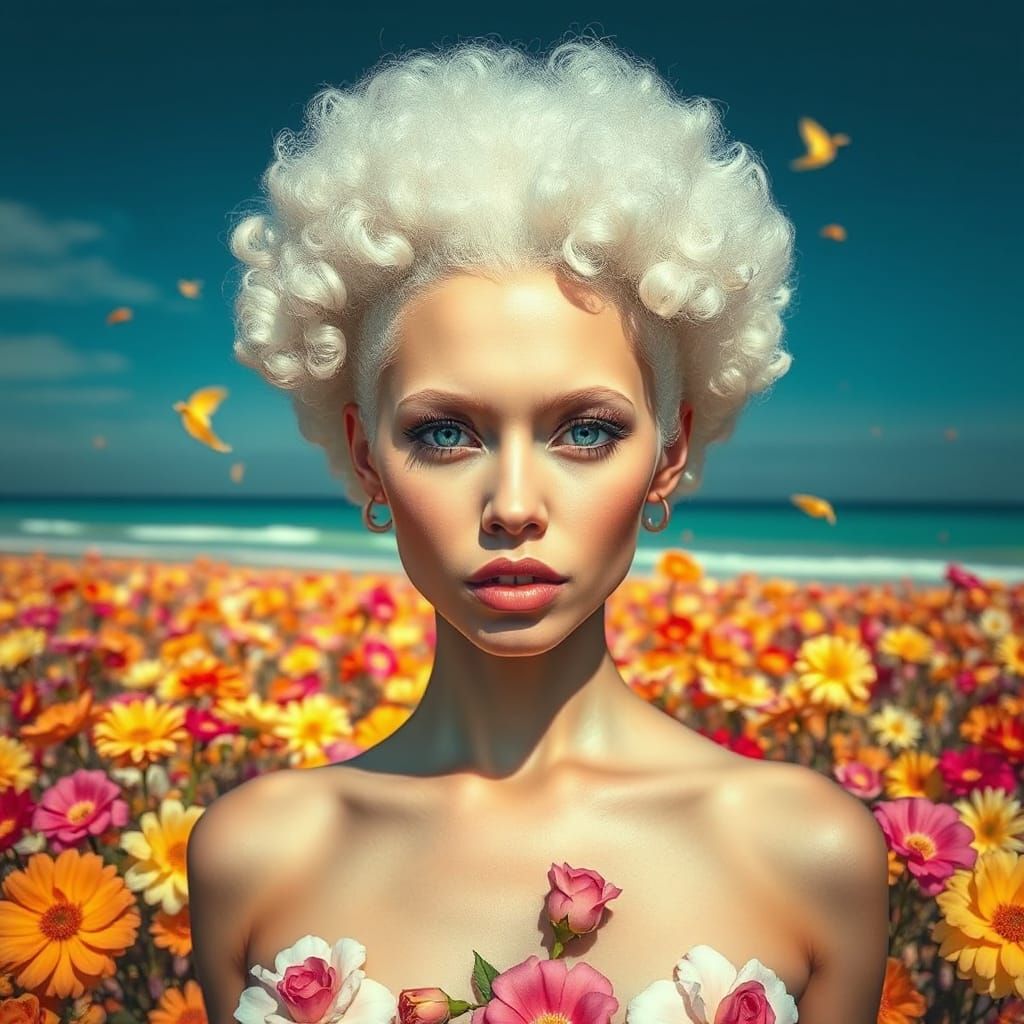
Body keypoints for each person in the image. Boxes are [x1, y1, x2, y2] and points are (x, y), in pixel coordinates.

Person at [186, 33, 891, 1023]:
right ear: (363, 455)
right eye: (444, 432)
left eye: (586, 430)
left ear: (672, 449)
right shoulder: (254, 853)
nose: (513, 503)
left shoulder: (808, 849)